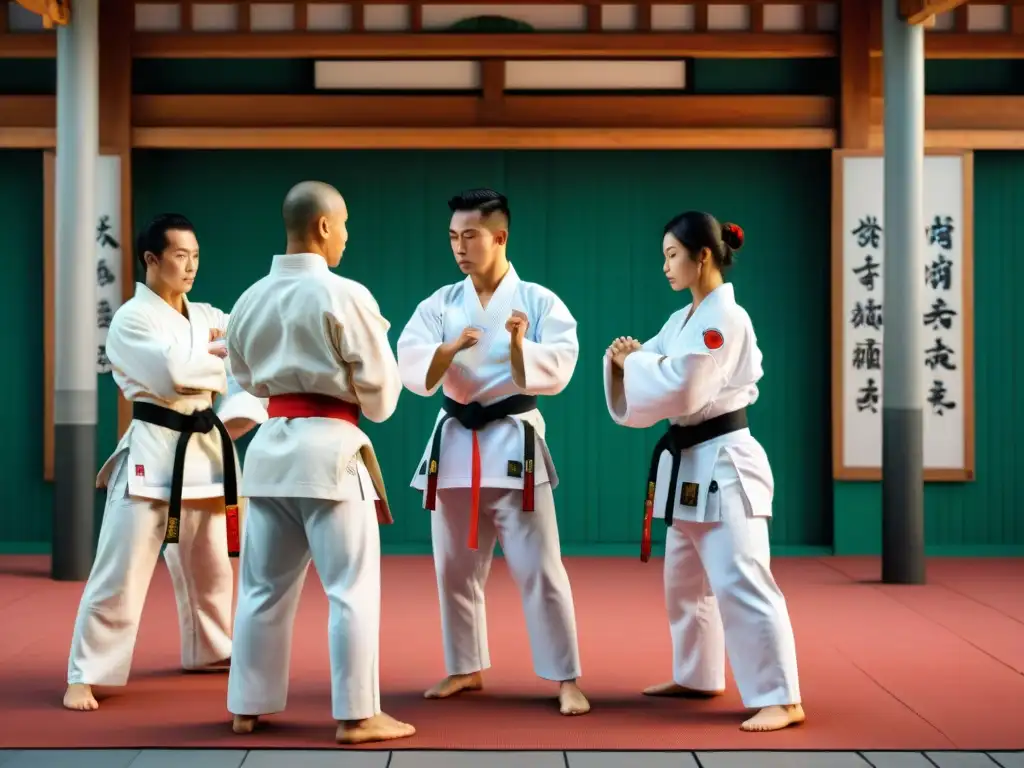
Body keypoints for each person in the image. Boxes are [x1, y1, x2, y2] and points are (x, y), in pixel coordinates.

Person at [224, 181, 415, 745]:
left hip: (269, 454)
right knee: (350, 588)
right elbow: (380, 391)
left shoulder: (250, 298)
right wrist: (363, 396)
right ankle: (357, 715)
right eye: (346, 225)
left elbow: (243, 378)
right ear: (325, 226)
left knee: (261, 587)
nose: (347, 237)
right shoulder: (344, 294)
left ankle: (247, 706)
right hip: (331, 450)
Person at [603, 211, 804, 732]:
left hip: (725, 465)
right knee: (685, 582)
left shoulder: (723, 320)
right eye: (664, 257)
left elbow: (686, 386)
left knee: (742, 578)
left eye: (672, 255)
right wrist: (630, 362)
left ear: (703, 256)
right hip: (689, 466)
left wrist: (636, 363)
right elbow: (658, 373)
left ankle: (781, 695)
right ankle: (698, 674)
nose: (666, 266)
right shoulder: (681, 320)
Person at [396, 188, 589, 716]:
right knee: (453, 568)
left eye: (471, 236)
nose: (459, 247)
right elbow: (410, 360)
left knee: (540, 567)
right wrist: (447, 351)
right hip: (455, 442)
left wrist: (520, 347)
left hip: (513, 445)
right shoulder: (440, 303)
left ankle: (566, 676)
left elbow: (563, 363)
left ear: (500, 237)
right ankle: (465, 666)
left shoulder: (540, 302)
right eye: (454, 237)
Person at [63, 213, 266, 712]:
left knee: (212, 565)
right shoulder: (132, 318)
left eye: (196, 256)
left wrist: (225, 384)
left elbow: (250, 362)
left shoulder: (210, 315)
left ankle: (211, 649)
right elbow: (172, 373)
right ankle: (84, 673)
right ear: (152, 259)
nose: (191, 265)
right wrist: (219, 357)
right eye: (180, 255)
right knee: (121, 568)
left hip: (204, 452)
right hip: (152, 454)